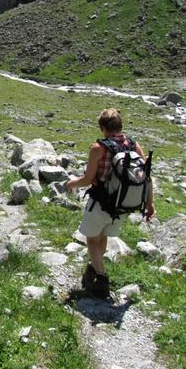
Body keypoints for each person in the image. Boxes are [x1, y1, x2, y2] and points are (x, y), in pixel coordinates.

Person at [66, 108, 154, 298]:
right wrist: (149, 204)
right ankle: (95, 267)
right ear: (120, 126)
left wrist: (72, 183)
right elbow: (146, 176)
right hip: (122, 205)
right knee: (103, 236)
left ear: (103, 127)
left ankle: (101, 279)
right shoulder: (134, 145)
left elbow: (88, 179)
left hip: (101, 201)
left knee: (91, 239)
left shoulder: (98, 148)